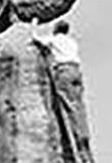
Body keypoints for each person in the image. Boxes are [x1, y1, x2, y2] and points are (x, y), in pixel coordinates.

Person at [32, 19, 90, 148]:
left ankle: (77, 135)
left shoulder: (55, 39)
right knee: (79, 103)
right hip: (76, 72)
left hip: (64, 71)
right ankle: (84, 133)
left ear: (56, 30)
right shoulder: (72, 42)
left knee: (68, 105)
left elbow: (36, 39)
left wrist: (34, 24)